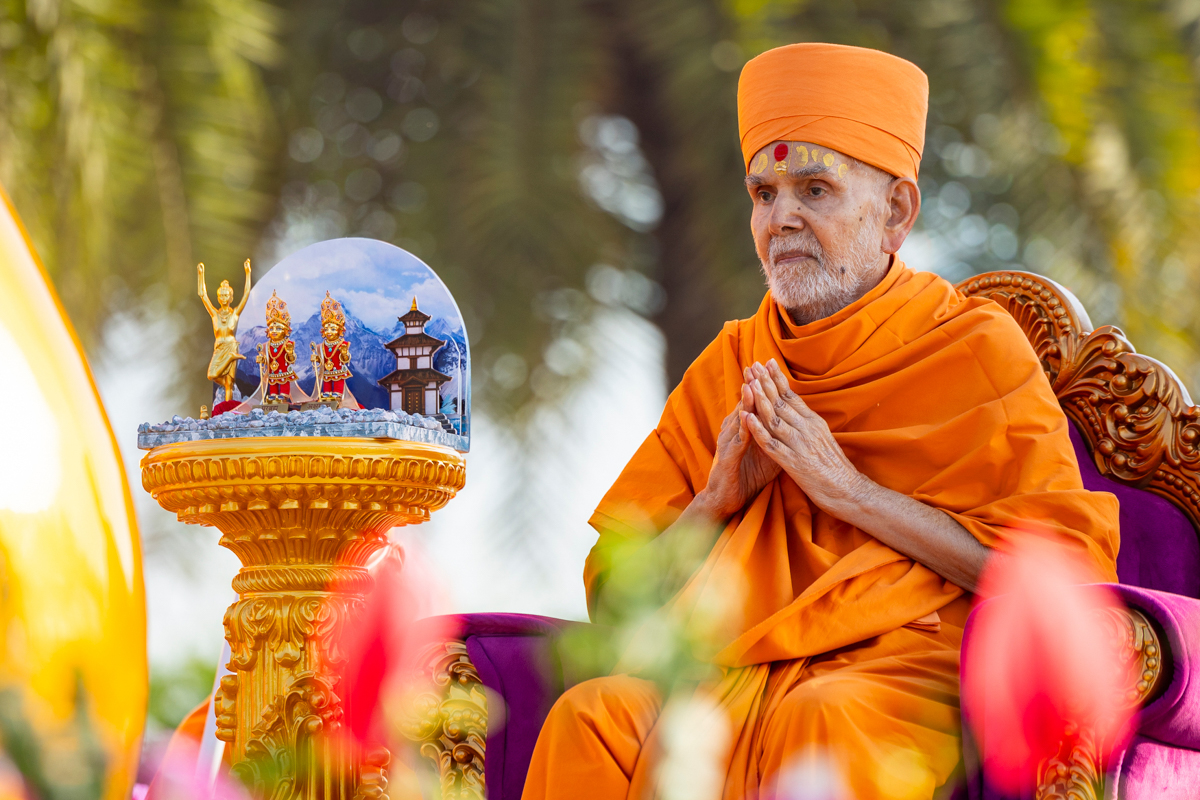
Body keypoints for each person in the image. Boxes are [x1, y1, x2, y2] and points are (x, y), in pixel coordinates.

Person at [520, 43, 1120, 800]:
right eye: (763, 193)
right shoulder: (735, 362)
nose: (783, 219)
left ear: (896, 212)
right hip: (731, 671)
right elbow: (620, 601)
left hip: (905, 667)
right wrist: (714, 504)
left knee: (821, 718)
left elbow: (1058, 581)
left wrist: (847, 489)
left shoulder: (973, 349)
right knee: (591, 716)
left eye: (814, 188)